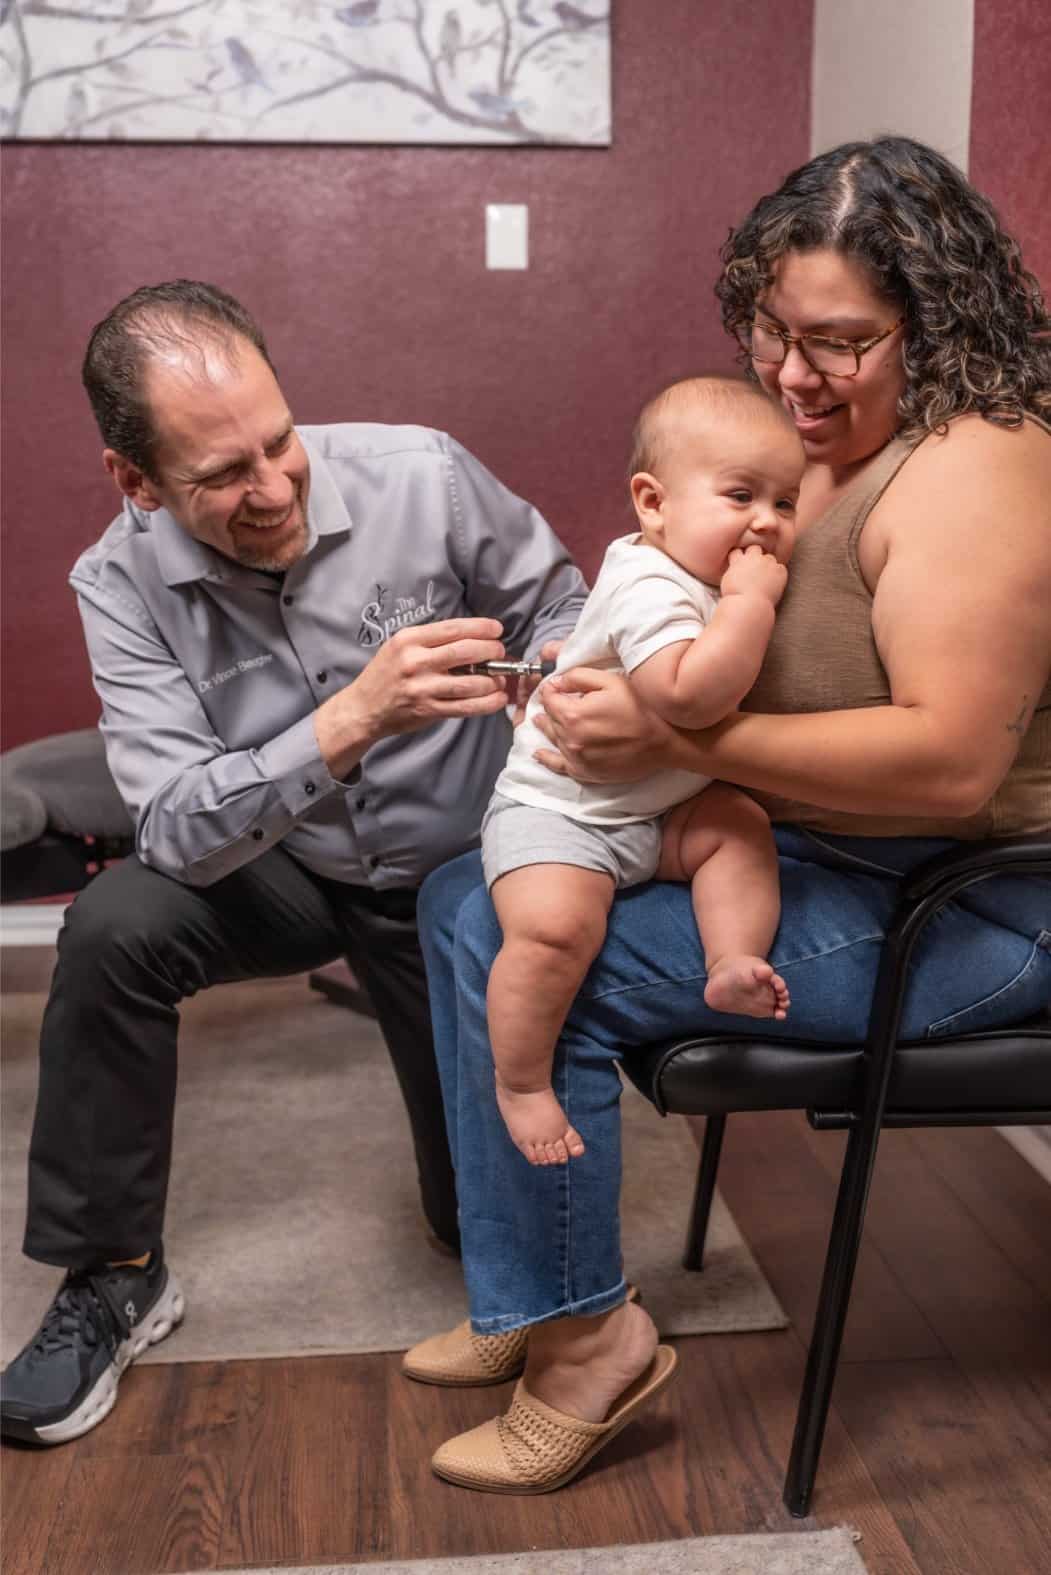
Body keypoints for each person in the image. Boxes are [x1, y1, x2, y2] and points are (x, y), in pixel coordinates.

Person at [405, 136, 1051, 1495]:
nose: (791, 372)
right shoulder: (815, 451)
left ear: (934, 319)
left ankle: (583, 1341)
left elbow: (945, 768)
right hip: (835, 854)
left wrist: (672, 728)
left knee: (533, 955)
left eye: (837, 340)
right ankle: (538, 1295)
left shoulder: (979, 468)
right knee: (474, 890)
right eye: (770, 328)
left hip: (976, 897)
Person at [0, 280, 588, 1447]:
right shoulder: (113, 582)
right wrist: (351, 718)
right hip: (282, 864)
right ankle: (113, 1275)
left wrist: (559, 677)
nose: (271, 488)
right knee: (117, 923)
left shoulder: (423, 472)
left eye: (279, 444)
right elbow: (169, 823)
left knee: (475, 1232)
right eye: (222, 476)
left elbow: (557, 601)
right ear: (136, 480)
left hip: (455, 872)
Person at [484, 377, 802, 1166]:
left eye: (784, 502)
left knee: (737, 826)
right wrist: (751, 605)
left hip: (659, 812)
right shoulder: (651, 582)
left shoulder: (702, 577)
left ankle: (728, 959)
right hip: (562, 812)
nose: (765, 521)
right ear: (653, 502)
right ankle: (520, 1081)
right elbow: (687, 698)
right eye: (739, 494)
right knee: (554, 931)